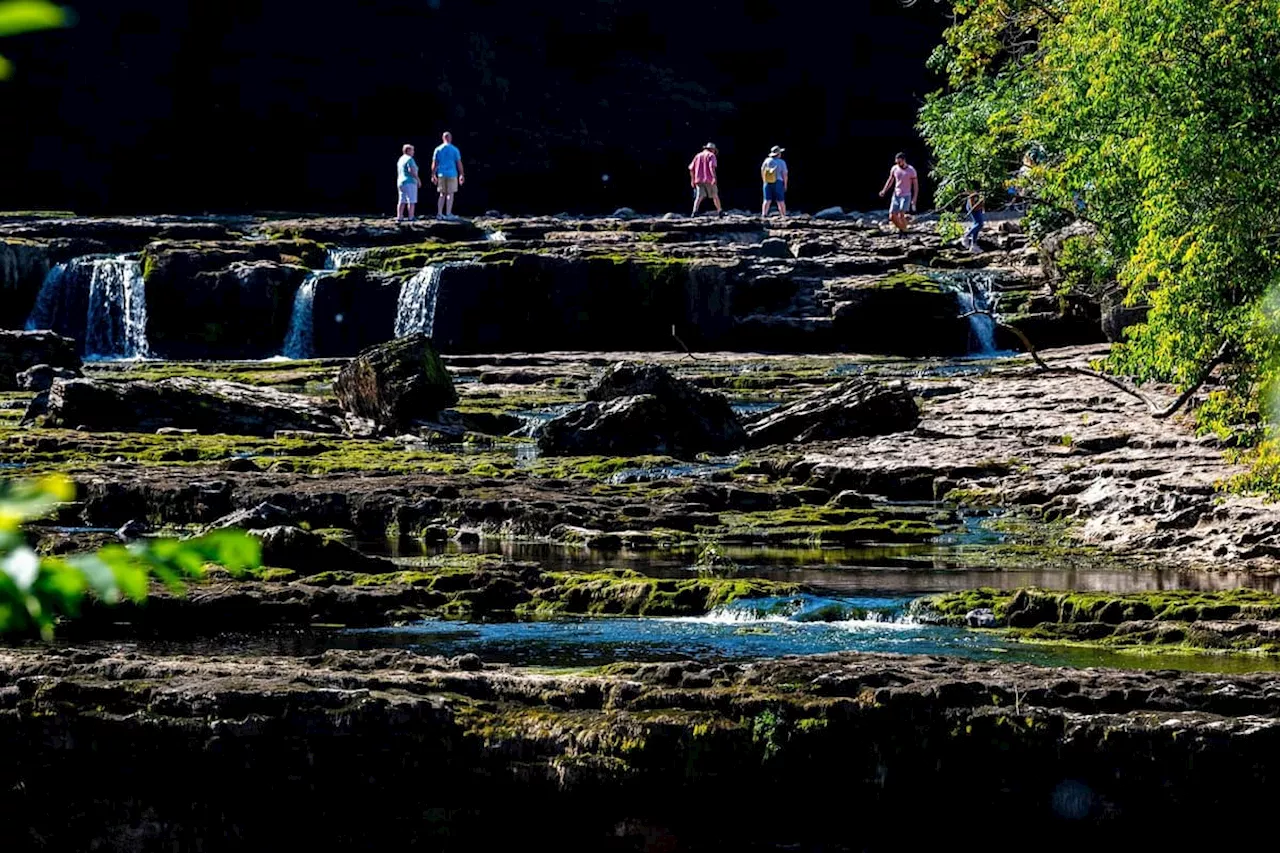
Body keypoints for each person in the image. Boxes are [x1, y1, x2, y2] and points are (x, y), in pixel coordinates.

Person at [879, 152, 918, 233]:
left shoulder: (911, 170)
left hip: (906, 195)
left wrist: (914, 199)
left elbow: (915, 186)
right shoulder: (894, 169)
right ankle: (904, 229)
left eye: (899, 162)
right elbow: (890, 180)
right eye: (897, 162)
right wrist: (884, 190)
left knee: (901, 215)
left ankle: (903, 232)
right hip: (896, 195)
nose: (898, 164)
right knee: (892, 216)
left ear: (904, 160)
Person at [431, 131, 465, 219]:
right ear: (450, 138)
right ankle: (448, 213)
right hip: (452, 174)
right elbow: (459, 163)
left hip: (441, 174)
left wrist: (433, 175)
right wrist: (461, 174)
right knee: (450, 194)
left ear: (443, 138)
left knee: (442, 194)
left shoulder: (438, 149)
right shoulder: (454, 149)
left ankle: (439, 213)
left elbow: (434, 163)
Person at [688, 142, 722, 217]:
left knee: (699, 196)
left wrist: (692, 180)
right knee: (715, 196)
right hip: (709, 179)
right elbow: (711, 167)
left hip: (698, 180)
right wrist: (714, 177)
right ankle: (720, 211)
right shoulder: (711, 155)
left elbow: (691, 168)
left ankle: (694, 212)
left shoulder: (697, 155)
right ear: (712, 149)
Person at [760, 145, 788, 218]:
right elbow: (784, 174)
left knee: (767, 200)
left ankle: (764, 214)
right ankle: (783, 215)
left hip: (767, 182)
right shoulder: (782, 162)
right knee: (780, 200)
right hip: (778, 182)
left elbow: (762, 170)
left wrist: (764, 181)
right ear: (778, 154)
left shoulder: (766, 160)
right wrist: (785, 185)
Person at [396, 143, 421, 222]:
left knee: (402, 200)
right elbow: (411, 170)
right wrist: (418, 180)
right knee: (411, 200)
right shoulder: (409, 159)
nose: (413, 152)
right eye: (412, 150)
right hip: (409, 182)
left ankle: (399, 216)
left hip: (401, 182)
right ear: (408, 150)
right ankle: (411, 216)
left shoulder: (400, 159)